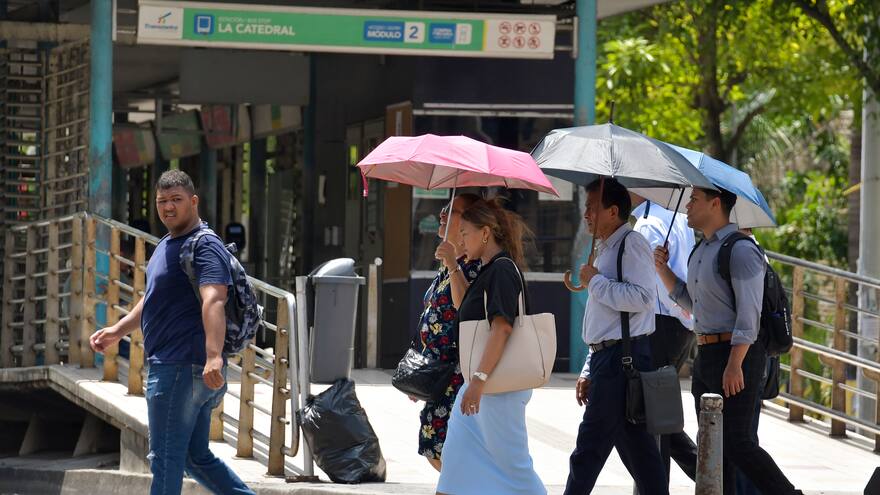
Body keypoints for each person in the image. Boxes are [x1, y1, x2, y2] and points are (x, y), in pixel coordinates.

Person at [89, 170, 255, 495]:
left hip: (181, 368)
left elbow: (214, 299)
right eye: (162, 201)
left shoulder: (203, 245)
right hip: (182, 368)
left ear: (193, 202)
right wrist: (116, 331)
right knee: (195, 456)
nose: (168, 208)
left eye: (176, 200)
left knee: (165, 460)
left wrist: (213, 356)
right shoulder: (168, 243)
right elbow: (151, 300)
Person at [654, 187, 803, 495]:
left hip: (738, 354)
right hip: (707, 352)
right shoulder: (702, 251)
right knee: (714, 445)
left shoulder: (742, 249)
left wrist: (735, 363)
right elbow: (693, 303)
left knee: (738, 443)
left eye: (694, 200)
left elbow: (750, 314)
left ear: (715, 203)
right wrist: (662, 270)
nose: (688, 206)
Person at [565, 179, 668, 495]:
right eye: (586, 207)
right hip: (609, 359)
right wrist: (588, 367)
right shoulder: (605, 248)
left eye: (592, 207)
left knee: (589, 448)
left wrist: (595, 281)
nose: (587, 214)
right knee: (640, 453)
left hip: (623, 361)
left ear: (613, 211)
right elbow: (604, 320)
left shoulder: (631, 244)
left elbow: (642, 299)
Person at [436, 198, 545, 495]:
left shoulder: (502, 270)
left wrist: (479, 381)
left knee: (515, 471)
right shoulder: (488, 268)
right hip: (483, 384)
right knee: (455, 466)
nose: (460, 240)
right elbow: (464, 306)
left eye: (465, 234)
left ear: (485, 233)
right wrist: (452, 264)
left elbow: (502, 327)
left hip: (497, 386)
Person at [630, 195, 698, 483]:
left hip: (659, 324)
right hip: (679, 325)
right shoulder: (678, 218)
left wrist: (679, 310)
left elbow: (653, 283)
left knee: (652, 418)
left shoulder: (646, 225)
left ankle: (724, 482)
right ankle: (719, 479)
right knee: (659, 413)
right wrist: (686, 314)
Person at [412, 193, 482, 472]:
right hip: (438, 373)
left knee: (446, 451)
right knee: (434, 446)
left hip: (457, 373)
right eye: (443, 207)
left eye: (451, 210)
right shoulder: (447, 263)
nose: (442, 214)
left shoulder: (472, 266)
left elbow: (463, 304)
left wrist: (453, 264)